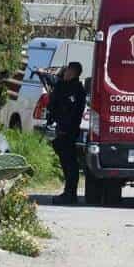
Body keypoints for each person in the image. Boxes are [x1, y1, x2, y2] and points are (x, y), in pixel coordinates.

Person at [49, 61, 86, 205]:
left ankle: (70, 194)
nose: (65, 73)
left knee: (70, 163)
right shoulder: (63, 86)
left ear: (73, 73)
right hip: (63, 128)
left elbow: (71, 111)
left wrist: (65, 127)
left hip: (69, 130)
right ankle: (68, 192)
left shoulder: (76, 89)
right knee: (66, 162)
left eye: (68, 71)